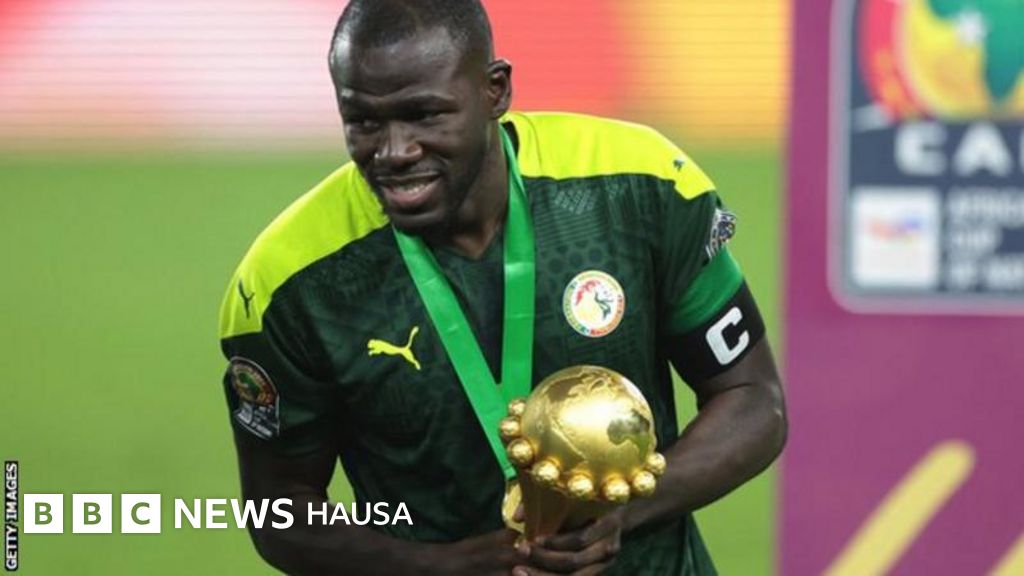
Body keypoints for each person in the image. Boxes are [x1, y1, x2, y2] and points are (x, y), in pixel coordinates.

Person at [218, 0, 787, 574]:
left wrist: (623, 510)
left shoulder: (640, 187)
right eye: (364, 122)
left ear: (495, 90)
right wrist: (439, 568)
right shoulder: (288, 283)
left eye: (425, 115)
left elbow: (753, 399)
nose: (394, 151)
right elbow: (278, 511)